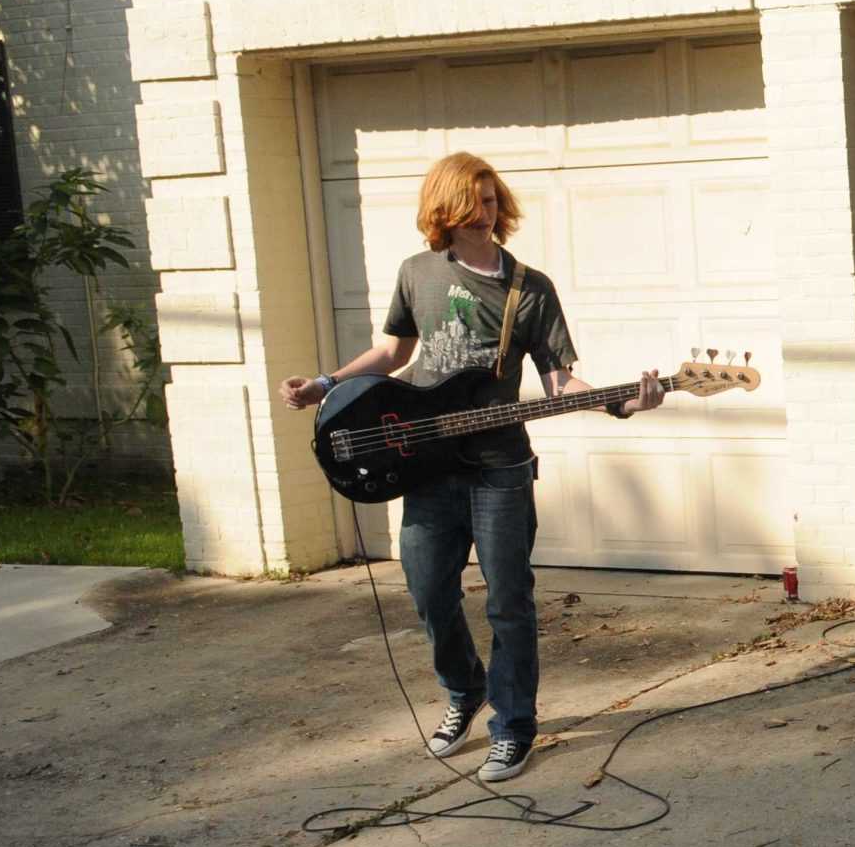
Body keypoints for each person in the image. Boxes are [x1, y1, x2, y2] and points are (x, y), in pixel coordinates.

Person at [280, 152, 664, 782]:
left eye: (491, 201)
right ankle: (465, 689)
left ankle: (513, 727)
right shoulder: (417, 273)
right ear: (444, 210)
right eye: (472, 203)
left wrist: (621, 402)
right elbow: (394, 353)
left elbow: (560, 380)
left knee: (509, 602)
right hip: (425, 464)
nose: (485, 214)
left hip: (499, 467)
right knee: (429, 591)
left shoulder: (529, 288)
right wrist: (327, 384)